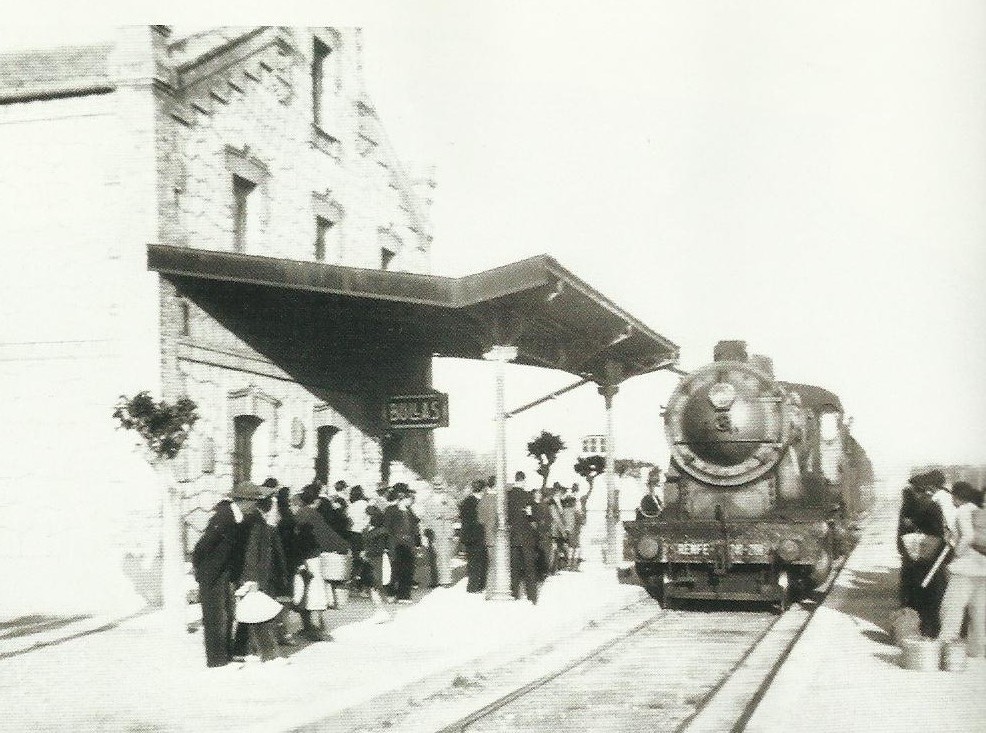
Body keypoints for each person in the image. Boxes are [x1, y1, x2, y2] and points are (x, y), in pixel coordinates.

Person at [191, 481, 257, 667]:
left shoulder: (237, 517)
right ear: (243, 500)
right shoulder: (224, 516)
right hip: (211, 573)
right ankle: (216, 660)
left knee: (225, 613)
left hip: (223, 572)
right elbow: (203, 546)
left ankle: (224, 655)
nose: (255, 505)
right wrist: (199, 568)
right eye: (253, 501)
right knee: (213, 616)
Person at [235, 487, 291, 664]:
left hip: (258, 575)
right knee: (261, 616)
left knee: (251, 615)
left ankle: (243, 651)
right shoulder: (256, 523)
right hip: (257, 576)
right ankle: (269, 655)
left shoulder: (257, 521)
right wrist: (252, 579)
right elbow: (252, 552)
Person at [293, 482, 350, 641]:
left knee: (303, 593)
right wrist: (344, 546)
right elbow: (326, 536)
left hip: (299, 558)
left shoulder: (298, 514)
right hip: (312, 558)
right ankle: (316, 629)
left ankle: (306, 627)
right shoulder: (314, 515)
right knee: (316, 593)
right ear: (316, 500)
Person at [937, 481, 986, 657]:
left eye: (952, 496)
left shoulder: (963, 512)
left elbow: (968, 536)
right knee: (979, 614)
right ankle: (978, 653)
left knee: (951, 609)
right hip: (983, 570)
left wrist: (956, 553)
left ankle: (946, 651)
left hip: (965, 570)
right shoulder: (978, 511)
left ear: (957, 497)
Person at [897, 472, 948, 636]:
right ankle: (931, 630)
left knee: (916, 596)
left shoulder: (910, 506)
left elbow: (901, 536)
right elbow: (939, 534)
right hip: (932, 560)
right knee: (933, 597)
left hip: (915, 561)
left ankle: (919, 630)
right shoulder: (933, 505)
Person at [384, 484, 420, 603]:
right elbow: (387, 528)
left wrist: (417, 542)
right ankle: (391, 593)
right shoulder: (391, 510)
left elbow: (415, 527)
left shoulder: (409, 511)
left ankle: (404, 595)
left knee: (408, 569)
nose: (411, 500)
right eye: (409, 498)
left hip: (409, 544)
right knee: (395, 569)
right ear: (402, 497)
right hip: (396, 543)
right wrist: (387, 544)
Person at [507, 471, 539, 604]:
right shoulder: (527, 496)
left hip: (512, 536)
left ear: (515, 480)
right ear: (523, 481)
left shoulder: (507, 496)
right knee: (529, 567)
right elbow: (532, 517)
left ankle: (514, 593)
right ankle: (531, 596)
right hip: (526, 536)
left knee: (514, 567)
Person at [421, 476, 457, 587]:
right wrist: (426, 531)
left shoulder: (449, 499)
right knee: (433, 557)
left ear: (443, 485)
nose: (438, 487)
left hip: (445, 531)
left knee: (445, 556)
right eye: (435, 485)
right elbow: (425, 517)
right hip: (433, 532)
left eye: (439, 485)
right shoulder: (428, 500)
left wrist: (443, 515)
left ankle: (446, 580)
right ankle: (435, 580)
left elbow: (456, 513)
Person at [362, 506, 393, 622]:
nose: (364, 517)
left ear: (371, 517)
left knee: (375, 586)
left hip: (376, 561)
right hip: (372, 560)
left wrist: (366, 553)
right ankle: (379, 611)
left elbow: (379, 549)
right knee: (373, 587)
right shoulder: (373, 530)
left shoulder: (379, 532)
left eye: (366, 515)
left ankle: (381, 611)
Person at [460, 479, 488, 592]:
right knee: (480, 561)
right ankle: (478, 586)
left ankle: (472, 586)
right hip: (479, 535)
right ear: (482, 489)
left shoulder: (466, 501)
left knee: (472, 561)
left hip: (468, 536)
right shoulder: (481, 502)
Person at [347, 486, 371, 595]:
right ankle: (364, 586)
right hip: (363, 534)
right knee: (365, 559)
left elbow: (349, 521)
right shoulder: (366, 505)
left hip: (353, 534)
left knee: (356, 560)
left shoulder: (350, 506)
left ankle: (353, 585)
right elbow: (369, 520)